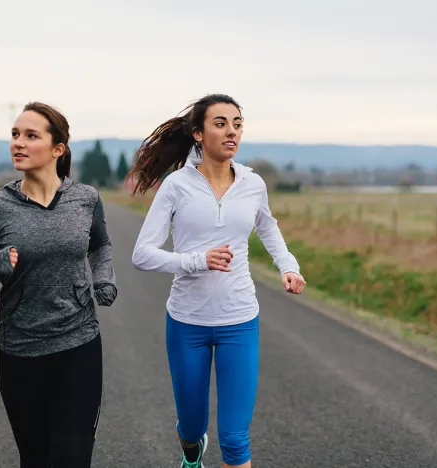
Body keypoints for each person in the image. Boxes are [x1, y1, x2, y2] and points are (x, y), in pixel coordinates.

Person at [128, 94, 306, 468]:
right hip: (187, 322)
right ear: (198, 133)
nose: (232, 132)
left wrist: (288, 266)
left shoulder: (253, 184)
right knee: (191, 426)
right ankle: (192, 452)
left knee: (236, 440)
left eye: (237, 124)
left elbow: (268, 229)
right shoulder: (176, 186)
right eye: (221, 123)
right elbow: (142, 254)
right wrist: (196, 261)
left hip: (239, 320)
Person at [0, 101, 117, 468]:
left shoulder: (85, 198)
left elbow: (101, 244)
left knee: (71, 458)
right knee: (36, 458)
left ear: (58, 149)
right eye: (14, 135)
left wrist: (103, 278)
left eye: (30, 135)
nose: (18, 143)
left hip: (79, 342)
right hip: (20, 349)